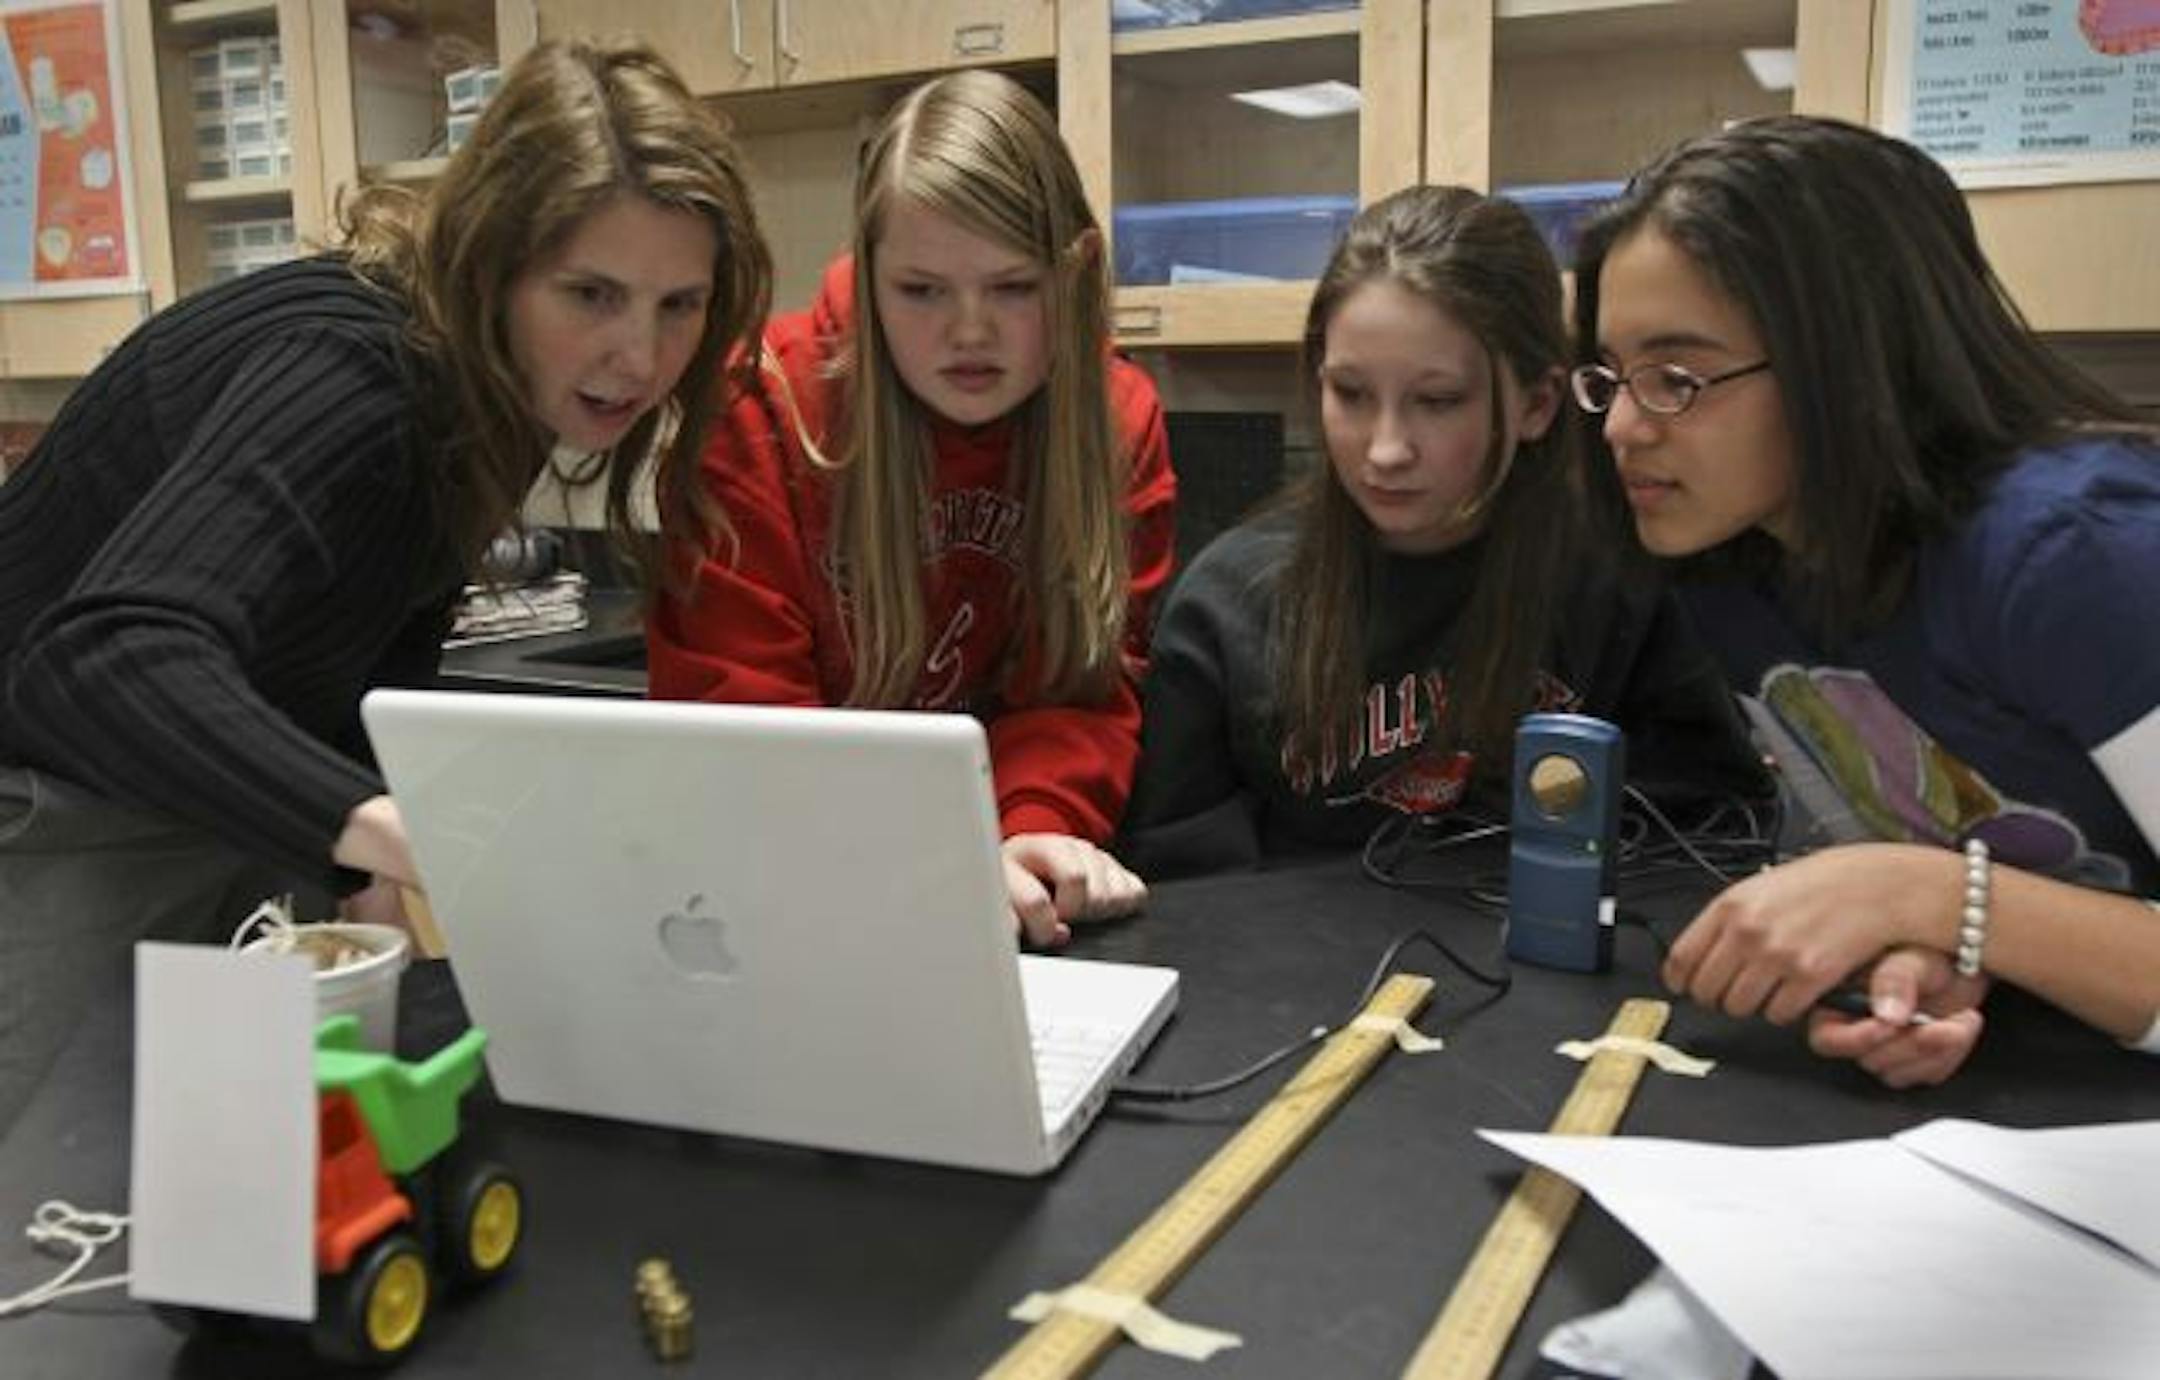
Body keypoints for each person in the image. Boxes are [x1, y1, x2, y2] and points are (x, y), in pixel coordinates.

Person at [0, 37, 772, 1132]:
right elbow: (105, 655)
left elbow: (371, 632)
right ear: (490, 263)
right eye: (590, 294)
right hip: (48, 806)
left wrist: (365, 868)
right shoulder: (351, 369)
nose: (638, 358)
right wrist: (395, 826)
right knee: (51, 1217)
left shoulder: (489, 390)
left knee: (231, 1177)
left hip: (186, 791)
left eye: (677, 306)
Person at [1571, 114, 2160, 1086]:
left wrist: (1930, 901)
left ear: (1851, 359)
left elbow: (1938, 883)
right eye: (1613, 378)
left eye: (1677, 377)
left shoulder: (2080, 558)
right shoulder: (1733, 568)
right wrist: (1942, 954)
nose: (1624, 427)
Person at [646, 70, 1177, 948]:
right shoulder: (757, 408)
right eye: (921, 290)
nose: (969, 331)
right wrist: (932, 861)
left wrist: (1032, 827)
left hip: (1001, 885)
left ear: (1074, 272)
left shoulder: (1116, 423)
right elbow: (741, 727)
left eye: (1012, 287)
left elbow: (1082, 686)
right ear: (871, 267)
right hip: (785, 884)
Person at [1120, 185, 1766, 878]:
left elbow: (1716, 838)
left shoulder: (1622, 584)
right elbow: (1186, 896)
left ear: (1538, 404)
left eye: (1438, 401)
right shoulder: (1226, 603)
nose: (1386, 449)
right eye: (1351, 394)